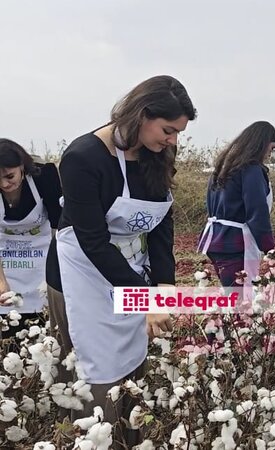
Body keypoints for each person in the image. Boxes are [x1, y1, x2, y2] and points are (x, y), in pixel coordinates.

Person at [45, 75, 195, 446]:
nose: (173, 140)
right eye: (168, 130)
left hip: (131, 270)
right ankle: (90, 438)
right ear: (142, 115)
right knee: (92, 372)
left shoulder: (157, 153)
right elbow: (93, 242)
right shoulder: (83, 158)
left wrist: (164, 287)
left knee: (131, 367)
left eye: (178, 133)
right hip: (81, 273)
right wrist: (146, 299)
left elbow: (161, 222)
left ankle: (130, 439)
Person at [198, 121, 275, 288]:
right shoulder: (251, 169)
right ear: (261, 144)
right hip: (235, 243)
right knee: (242, 300)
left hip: (216, 238)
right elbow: (257, 211)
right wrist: (269, 248)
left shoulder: (224, 165)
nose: (270, 155)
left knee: (233, 295)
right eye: (270, 149)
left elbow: (210, 203)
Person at [0, 138, 62, 344]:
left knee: (43, 328)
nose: (4, 185)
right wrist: (1, 281)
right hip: (5, 263)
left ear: (22, 167)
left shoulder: (44, 177)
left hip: (42, 259)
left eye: (10, 176)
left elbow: (61, 225)